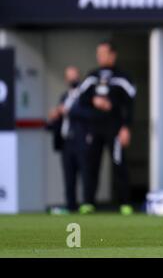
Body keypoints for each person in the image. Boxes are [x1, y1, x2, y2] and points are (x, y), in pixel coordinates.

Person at [78, 40, 136, 215]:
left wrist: (126, 127)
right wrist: (94, 100)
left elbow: (131, 105)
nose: (100, 56)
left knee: (119, 164)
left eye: (103, 53)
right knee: (91, 165)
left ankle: (125, 203)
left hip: (115, 128)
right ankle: (88, 202)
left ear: (112, 55)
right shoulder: (92, 77)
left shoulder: (122, 77)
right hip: (94, 129)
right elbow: (81, 99)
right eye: (98, 53)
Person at [47, 66, 88, 213]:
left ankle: (88, 205)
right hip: (66, 142)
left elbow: (88, 115)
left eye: (74, 76)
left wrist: (69, 111)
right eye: (69, 77)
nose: (72, 79)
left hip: (81, 141)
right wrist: (54, 117)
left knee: (85, 174)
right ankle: (71, 206)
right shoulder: (64, 96)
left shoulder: (85, 96)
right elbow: (60, 117)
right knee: (68, 177)